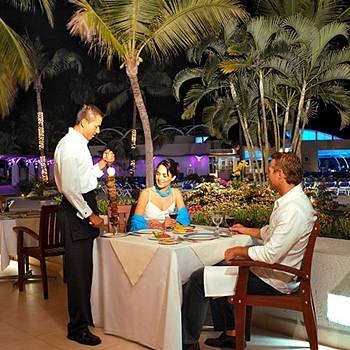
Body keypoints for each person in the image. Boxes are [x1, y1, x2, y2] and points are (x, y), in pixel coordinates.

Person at [182, 152, 316, 350]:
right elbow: (271, 233)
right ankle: (230, 333)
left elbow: (271, 254)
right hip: (275, 273)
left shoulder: (293, 209)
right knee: (217, 266)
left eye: (270, 170)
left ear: (281, 174)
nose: (267, 174)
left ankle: (188, 343)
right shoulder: (291, 202)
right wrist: (246, 230)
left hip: (275, 280)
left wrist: (240, 250)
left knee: (198, 279)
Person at [54, 104, 115, 346]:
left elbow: (84, 178)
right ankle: (76, 329)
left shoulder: (79, 145)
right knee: (79, 275)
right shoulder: (70, 146)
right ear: (83, 122)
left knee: (85, 272)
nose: (97, 130)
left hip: (81, 209)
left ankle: (83, 321)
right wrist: (90, 215)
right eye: (96, 125)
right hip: (75, 214)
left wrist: (100, 166)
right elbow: (69, 188)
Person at [130, 158, 191, 231]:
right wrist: (160, 225)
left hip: (169, 238)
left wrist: (172, 223)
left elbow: (185, 219)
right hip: (147, 238)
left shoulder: (176, 193)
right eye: (158, 174)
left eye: (164, 176)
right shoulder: (146, 193)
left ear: (173, 178)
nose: (159, 178)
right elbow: (136, 224)